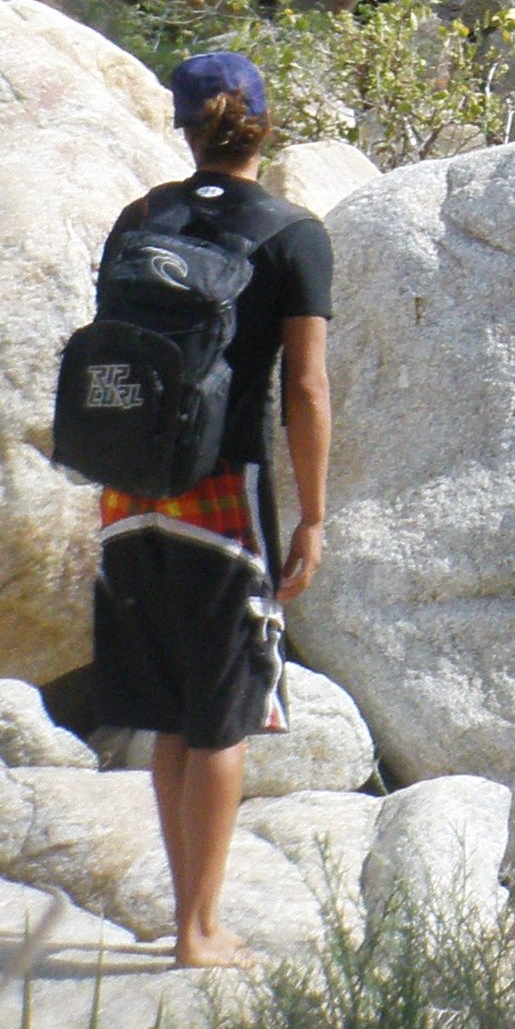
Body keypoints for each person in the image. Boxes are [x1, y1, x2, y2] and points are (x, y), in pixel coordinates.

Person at [87, 52, 332, 970]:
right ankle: (199, 930)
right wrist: (313, 514)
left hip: (127, 490)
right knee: (223, 715)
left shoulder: (139, 218)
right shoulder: (291, 234)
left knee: (168, 715)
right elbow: (304, 388)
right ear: (264, 124)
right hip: (225, 496)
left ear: (183, 127)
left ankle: (187, 914)